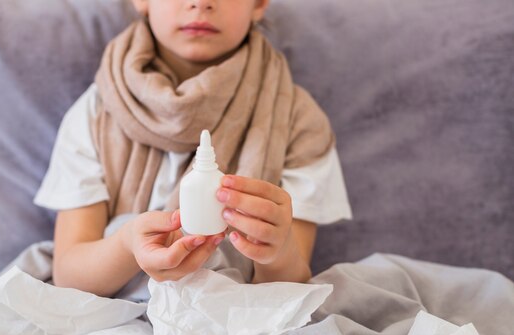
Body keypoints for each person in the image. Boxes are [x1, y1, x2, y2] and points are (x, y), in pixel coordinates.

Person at [34, 0, 352, 299]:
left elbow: (288, 291)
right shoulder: (95, 113)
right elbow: (69, 277)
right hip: (116, 318)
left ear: (259, 3)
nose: (201, 3)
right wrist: (127, 245)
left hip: (236, 324)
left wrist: (277, 252)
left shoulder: (297, 120)